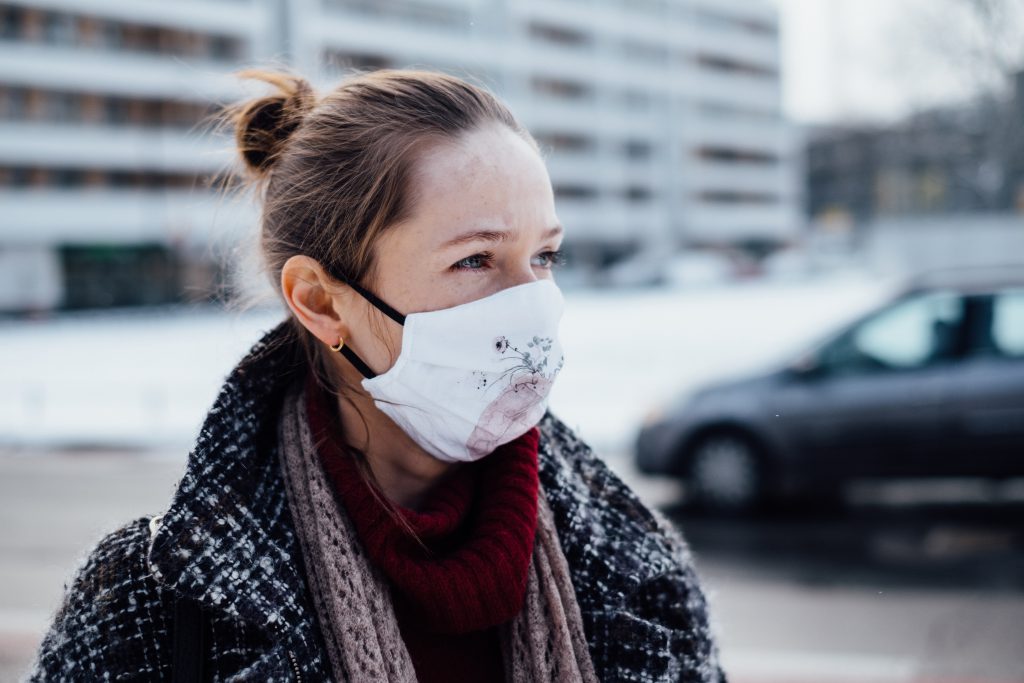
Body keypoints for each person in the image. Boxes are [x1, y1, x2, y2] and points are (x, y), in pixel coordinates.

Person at [24, 66, 728, 682]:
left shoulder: (640, 566)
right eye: (476, 260)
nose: (532, 306)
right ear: (322, 302)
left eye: (544, 256)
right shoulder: (153, 603)